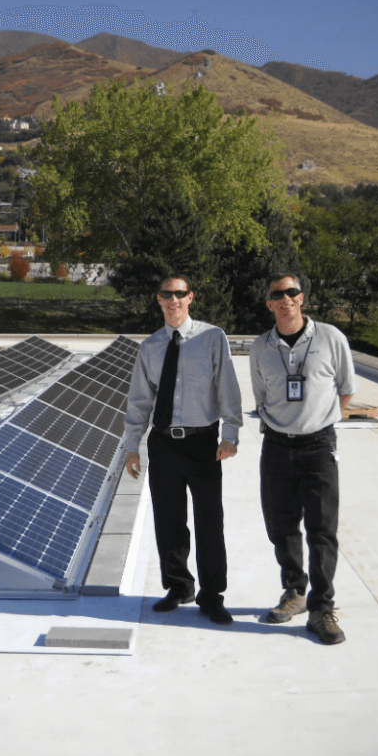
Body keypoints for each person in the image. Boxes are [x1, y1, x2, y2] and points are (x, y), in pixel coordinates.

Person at [122, 275, 242, 625]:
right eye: (166, 295)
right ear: (158, 299)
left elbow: (227, 387)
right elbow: (140, 401)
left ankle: (212, 595)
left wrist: (230, 435)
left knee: (209, 521)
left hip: (203, 442)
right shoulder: (150, 347)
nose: (173, 300)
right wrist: (133, 447)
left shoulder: (212, 337)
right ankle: (178, 586)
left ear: (190, 297)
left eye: (179, 294)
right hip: (163, 443)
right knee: (169, 520)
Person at [249, 272, 355, 645]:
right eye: (278, 294)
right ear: (270, 303)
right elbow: (261, 398)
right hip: (277, 445)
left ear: (302, 298)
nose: (285, 298)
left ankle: (321, 608)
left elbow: (346, 390)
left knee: (322, 529)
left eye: (291, 292)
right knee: (281, 525)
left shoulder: (330, 338)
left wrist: (318, 424)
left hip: (318, 447)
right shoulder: (262, 346)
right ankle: (294, 591)